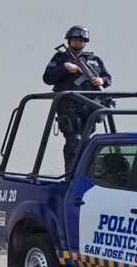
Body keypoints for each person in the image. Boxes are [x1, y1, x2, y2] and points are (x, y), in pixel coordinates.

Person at [43, 25, 112, 173]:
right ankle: (71, 173)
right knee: (74, 140)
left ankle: (87, 171)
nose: (78, 43)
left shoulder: (94, 60)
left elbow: (108, 77)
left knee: (88, 140)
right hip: (69, 105)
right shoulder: (60, 58)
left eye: (81, 41)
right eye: (75, 40)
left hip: (90, 105)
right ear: (69, 41)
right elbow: (47, 78)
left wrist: (102, 81)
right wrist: (64, 67)